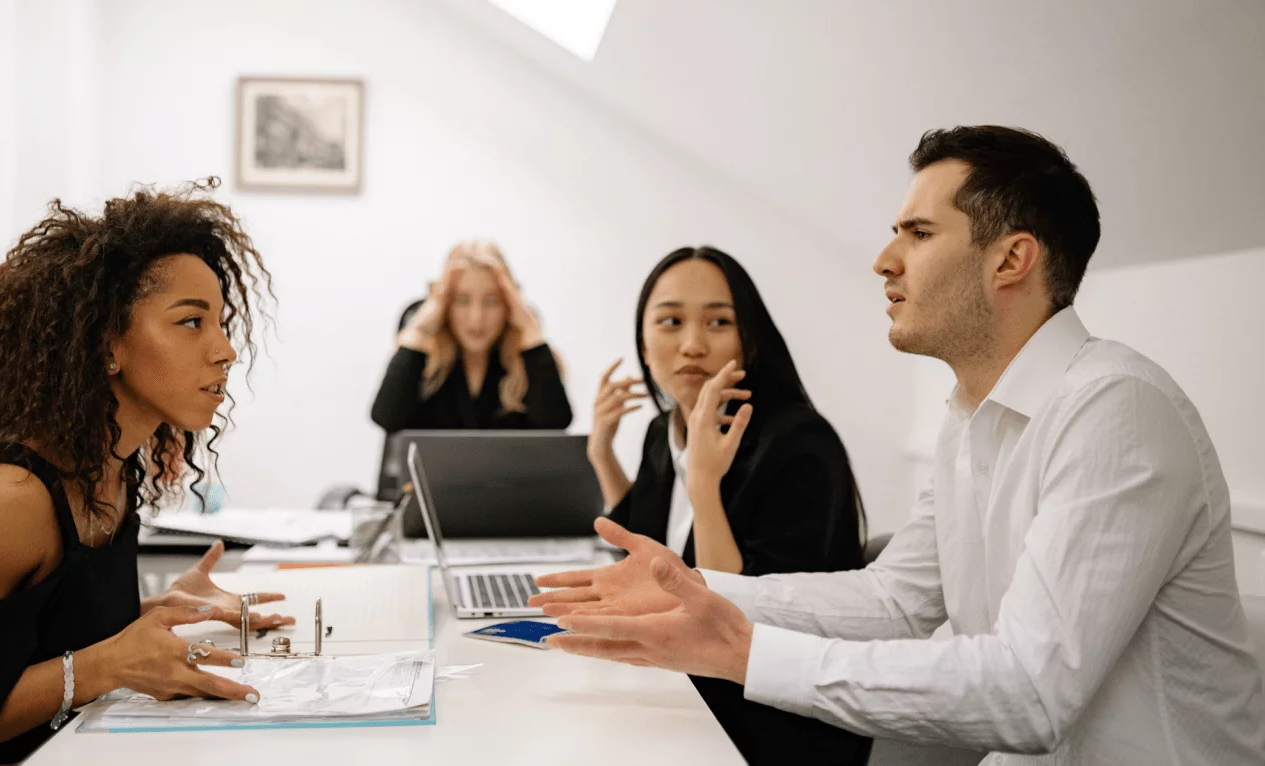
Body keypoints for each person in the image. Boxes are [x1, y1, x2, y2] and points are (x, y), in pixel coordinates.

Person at [530, 127, 1265, 764]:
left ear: (1011, 260)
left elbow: (1030, 692)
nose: (884, 260)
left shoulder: (1116, 409)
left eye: (917, 234)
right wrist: (696, 589)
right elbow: (897, 599)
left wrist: (746, 652)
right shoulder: (968, 420)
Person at [0, 181, 295, 764]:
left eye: (220, 322)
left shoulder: (111, 470)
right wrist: (105, 663)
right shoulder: (3, 499)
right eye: (192, 322)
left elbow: (20, 648)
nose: (225, 350)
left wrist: (150, 612)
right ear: (106, 342)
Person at [586, 246, 870, 764]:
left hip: (764, 724)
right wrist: (601, 453)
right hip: (683, 695)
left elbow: (731, 620)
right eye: (670, 321)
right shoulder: (663, 429)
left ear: (748, 341)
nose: (692, 345)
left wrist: (703, 485)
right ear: (644, 345)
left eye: (719, 322)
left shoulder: (801, 444)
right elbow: (644, 559)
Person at [370, 241, 572, 432]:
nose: (476, 319)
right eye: (462, 300)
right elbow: (387, 418)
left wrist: (530, 329)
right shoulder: (424, 358)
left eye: (492, 302)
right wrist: (419, 330)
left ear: (509, 306)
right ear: (444, 303)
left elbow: (556, 424)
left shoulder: (527, 359)